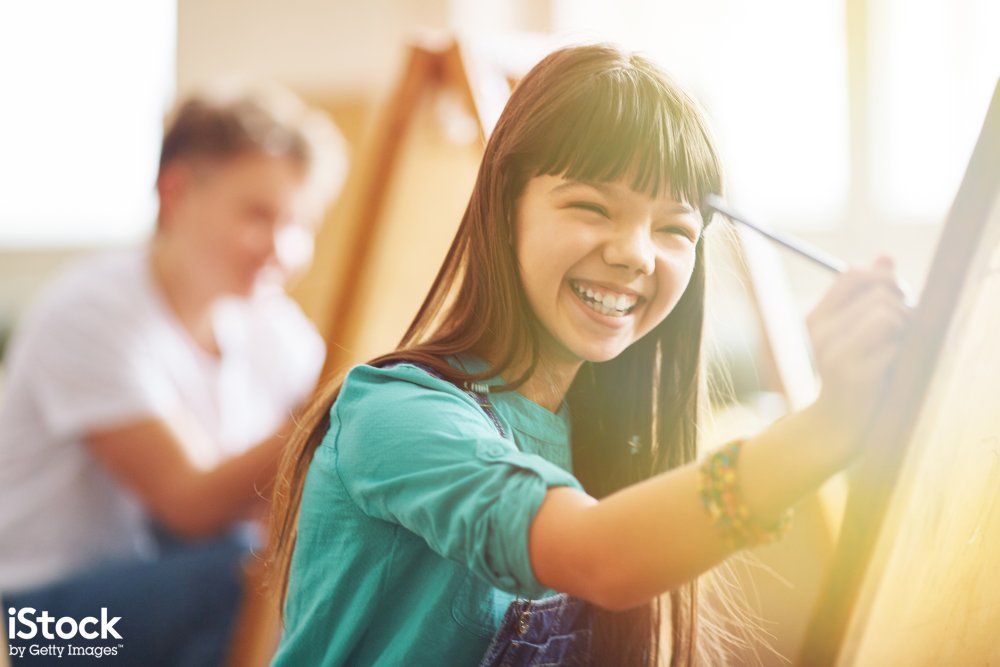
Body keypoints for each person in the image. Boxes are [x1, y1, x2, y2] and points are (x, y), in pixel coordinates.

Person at [267, 44, 908, 666]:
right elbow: (599, 556)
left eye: (673, 230)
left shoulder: (612, 438)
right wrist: (829, 426)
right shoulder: (397, 414)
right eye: (592, 207)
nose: (636, 253)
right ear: (504, 203)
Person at [0, 82, 346, 666]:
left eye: (301, 223)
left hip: (167, 579)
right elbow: (187, 504)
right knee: (242, 571)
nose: (284, 249)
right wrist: (330, 411)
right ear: (176, 193)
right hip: (41, 622)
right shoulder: (90, 312)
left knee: (309, 563)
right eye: (259, 214)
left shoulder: (275, 328)